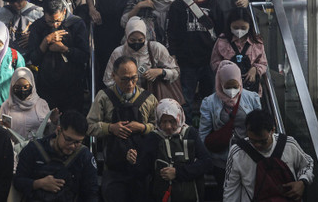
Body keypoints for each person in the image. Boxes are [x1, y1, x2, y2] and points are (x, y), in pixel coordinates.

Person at [87, 56, 158, 202]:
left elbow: (160, 128)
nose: (130, 83)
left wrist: (144, 127)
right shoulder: (104, 97)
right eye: (125, 79)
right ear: (113, 75)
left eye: (134, 78)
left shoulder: (149, 99)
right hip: (114, 168)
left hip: (142, 167)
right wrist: (110, 128)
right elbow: (89, 127)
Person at [126, 98, 212, 202]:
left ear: (179, 118)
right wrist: (134, 162)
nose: (168, 127)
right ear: (158, 120)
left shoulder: (190, 133)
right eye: (164, 121)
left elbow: (206, 162)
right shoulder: (153, 138)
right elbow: (142, 171)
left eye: (172, 121)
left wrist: (177, 173)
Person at [167, 0, 221, 122]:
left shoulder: (213, 3)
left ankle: (208, 128)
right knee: (186, 100)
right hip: (186, 61)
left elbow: (220, 29)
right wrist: (174, 55)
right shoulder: (178, 6)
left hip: (209, 60)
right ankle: (187, 128)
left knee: (210, 99)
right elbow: (172, 33)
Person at [225, 109, 314, 201]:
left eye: (263, 141)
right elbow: (231, 189)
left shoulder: (289, 144)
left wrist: (302, 181)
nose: (257, 145)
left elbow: (307, 164)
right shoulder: (238, 152)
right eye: (253, 141)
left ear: (272, 130)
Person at [199, 60, 261, 187]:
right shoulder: (209, 103)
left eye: (235, 85)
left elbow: (259, 125)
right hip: (221, 159)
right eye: (227, 86)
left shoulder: (252, 98)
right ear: (220, 83)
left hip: (247, 156)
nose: (232, 90)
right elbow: (204, 131)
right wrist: (205, 157)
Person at [14, 110, 98, 202]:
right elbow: (18, 181)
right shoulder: (34, 149)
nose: (72, 146)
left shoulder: (84, 157)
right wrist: (39, 183)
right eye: (68, 139)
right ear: (58, 130)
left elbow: (91, 194)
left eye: (77, 142)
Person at [27, 0, 90, 113]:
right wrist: (46, 41)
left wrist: (64, 49)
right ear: (44, 14)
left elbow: (84, 56)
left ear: (64, 12)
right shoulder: (37, 27)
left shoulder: (76, 24)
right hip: (47, 87)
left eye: (58, 21)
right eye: (50, 21)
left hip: (72, 86)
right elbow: (33, 59)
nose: (54, 25)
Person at [103, 17, 180, 98]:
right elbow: (108, 80)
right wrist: (125, 85)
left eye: (140, 40)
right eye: (132, 40)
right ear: (126, 37)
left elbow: (175, 72)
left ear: (145, 37)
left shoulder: (156, 48)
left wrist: (160, 72)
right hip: (126, 99)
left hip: (154, 96)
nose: (136, 43)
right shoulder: (119, 53)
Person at [210, 7, 268, 94]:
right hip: (227, 88)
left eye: (243, 28)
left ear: (250, 26)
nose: (239, 31)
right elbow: (214, 61)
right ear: (230, 25)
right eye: (235, 27)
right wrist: (226, 69)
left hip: (250, 89)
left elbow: (263, 63)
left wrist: (255, 69)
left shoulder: (256, 42)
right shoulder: (222, 40)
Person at [0, 66, 56, 141]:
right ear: (12, 87)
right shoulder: (7, 106)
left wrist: (54, 122)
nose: (22, 90)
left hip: (36, 149)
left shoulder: (41, 104)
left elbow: (49, 133)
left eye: (26, 87)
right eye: (18, 87)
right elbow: (3, 133)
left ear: (32, 85)